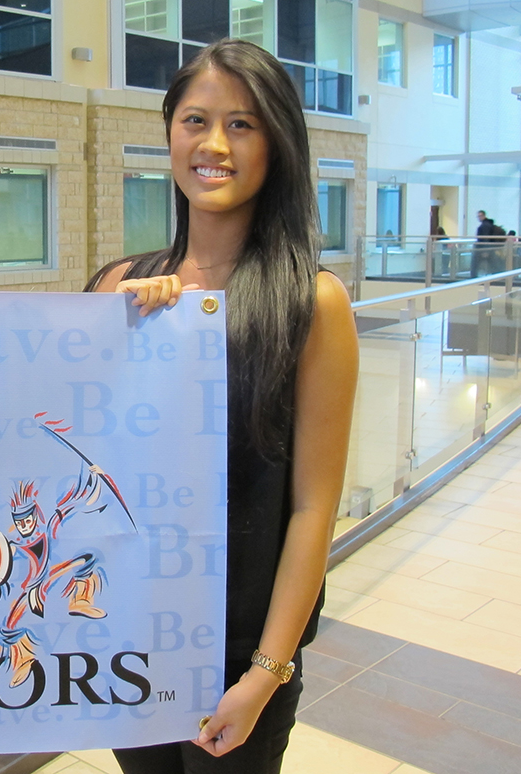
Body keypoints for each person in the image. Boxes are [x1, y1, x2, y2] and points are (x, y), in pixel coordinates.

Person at [84, 39, 358, 774]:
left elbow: (313, 507)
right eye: (195, 121)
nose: (214, 144)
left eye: (242, 124)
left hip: (240, 656)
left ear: (277, 143)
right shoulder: (117, 285)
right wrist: (114, 332)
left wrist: (266, 674)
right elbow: (72, 454)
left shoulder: (313, 303)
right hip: (130, 638)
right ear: (170, 134)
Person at [472, 210, 500, 277]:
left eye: (480, 216)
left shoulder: (484, 226)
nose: (479, 218)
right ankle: (496, 276)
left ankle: (473, 277)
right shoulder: (489, 224)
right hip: (488, 248)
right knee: (492, 264)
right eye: (478, 216)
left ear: (484, 216)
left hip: (483, 248)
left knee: (475, 264)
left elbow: (485, 238)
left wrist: (485, 250)